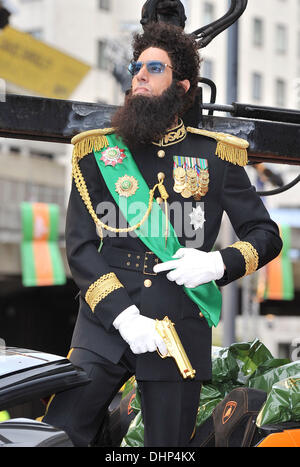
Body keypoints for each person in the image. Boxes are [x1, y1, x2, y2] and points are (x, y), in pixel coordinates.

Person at [43, 22, 282, 447]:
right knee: (58, 434)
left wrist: (216, 263)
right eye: (137, 66)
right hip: (106, 321)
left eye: (154, 67)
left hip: (178, 322)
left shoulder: (215, 156)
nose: (139, 75)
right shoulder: (98, 152)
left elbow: (265, 234)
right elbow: (79, 247)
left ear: (182, 86)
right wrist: (123, 316)